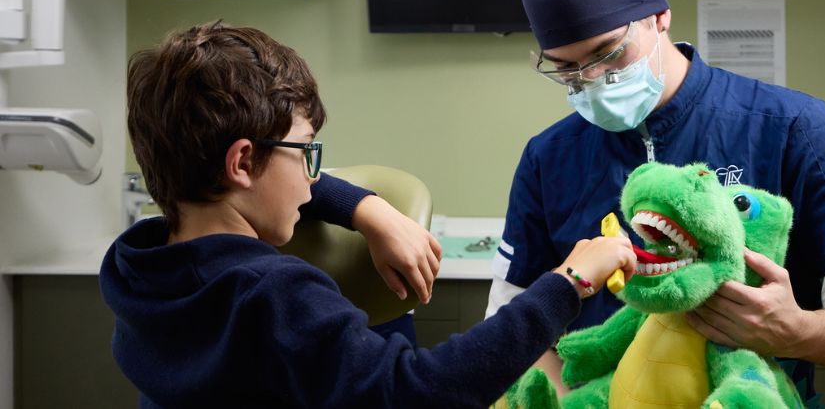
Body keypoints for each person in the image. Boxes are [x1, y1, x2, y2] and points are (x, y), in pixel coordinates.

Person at [99, 21, 637, 407]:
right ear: (241, 161)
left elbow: (273, 178)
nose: (314, 177)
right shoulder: (273, 296)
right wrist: (568, 284)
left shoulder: (141, 266)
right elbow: (418, 390)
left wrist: (365, 209)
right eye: (308, 151)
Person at [486, 0, 825, 401]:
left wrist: (794, 331)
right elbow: (512, 327)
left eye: (609, 53)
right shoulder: (549, 158)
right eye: (567, 69)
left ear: (659, 16)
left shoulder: (793, 127)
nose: (594, 79)